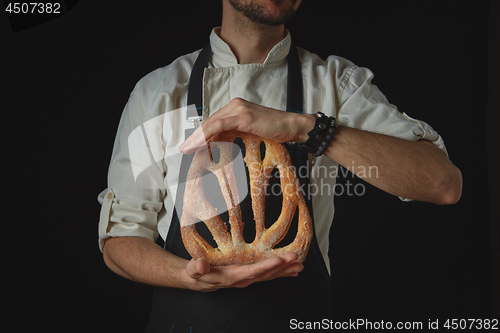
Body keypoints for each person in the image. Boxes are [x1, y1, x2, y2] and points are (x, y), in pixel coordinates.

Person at [97, 0, 462, 331]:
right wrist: (186, 275)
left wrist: (305, 128)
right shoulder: (158, 93)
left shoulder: (336, 86)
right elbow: (120, 240)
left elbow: (442, 183)